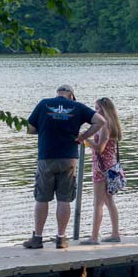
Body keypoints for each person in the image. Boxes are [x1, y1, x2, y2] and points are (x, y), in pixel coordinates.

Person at [23, 84, 106, 249]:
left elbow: (30, 129)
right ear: (72, 95)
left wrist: (47, 130)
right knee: (64, 199)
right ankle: (61, 238)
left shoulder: (43, 104)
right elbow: (100, 121)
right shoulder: (77, 106)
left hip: (46, 157)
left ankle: (37, 238)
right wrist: (83, 136)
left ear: (57, 94)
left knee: (42, 198)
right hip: (69, 158)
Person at [81, 97, 123, 245]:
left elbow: (100, 148)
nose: (95, 111)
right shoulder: (113, 125)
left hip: (102, 167)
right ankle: (115, 234)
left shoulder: (105, 126)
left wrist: (85, 140)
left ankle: (94, 237)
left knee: (97, 203)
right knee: (109, 201)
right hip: (110, 166)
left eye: (98, 108)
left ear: (105, 110)